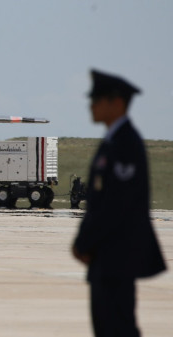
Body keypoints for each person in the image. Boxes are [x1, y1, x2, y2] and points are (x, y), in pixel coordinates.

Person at [72, 69, 166, 336]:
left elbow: (117, 204)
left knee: (118, 327)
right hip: (105, 258)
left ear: (117, 102)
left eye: (97, 99)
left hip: (118, 257)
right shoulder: (112, 142)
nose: (91, 105)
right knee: (107, 326)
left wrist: (84, 242)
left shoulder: (125, 144)